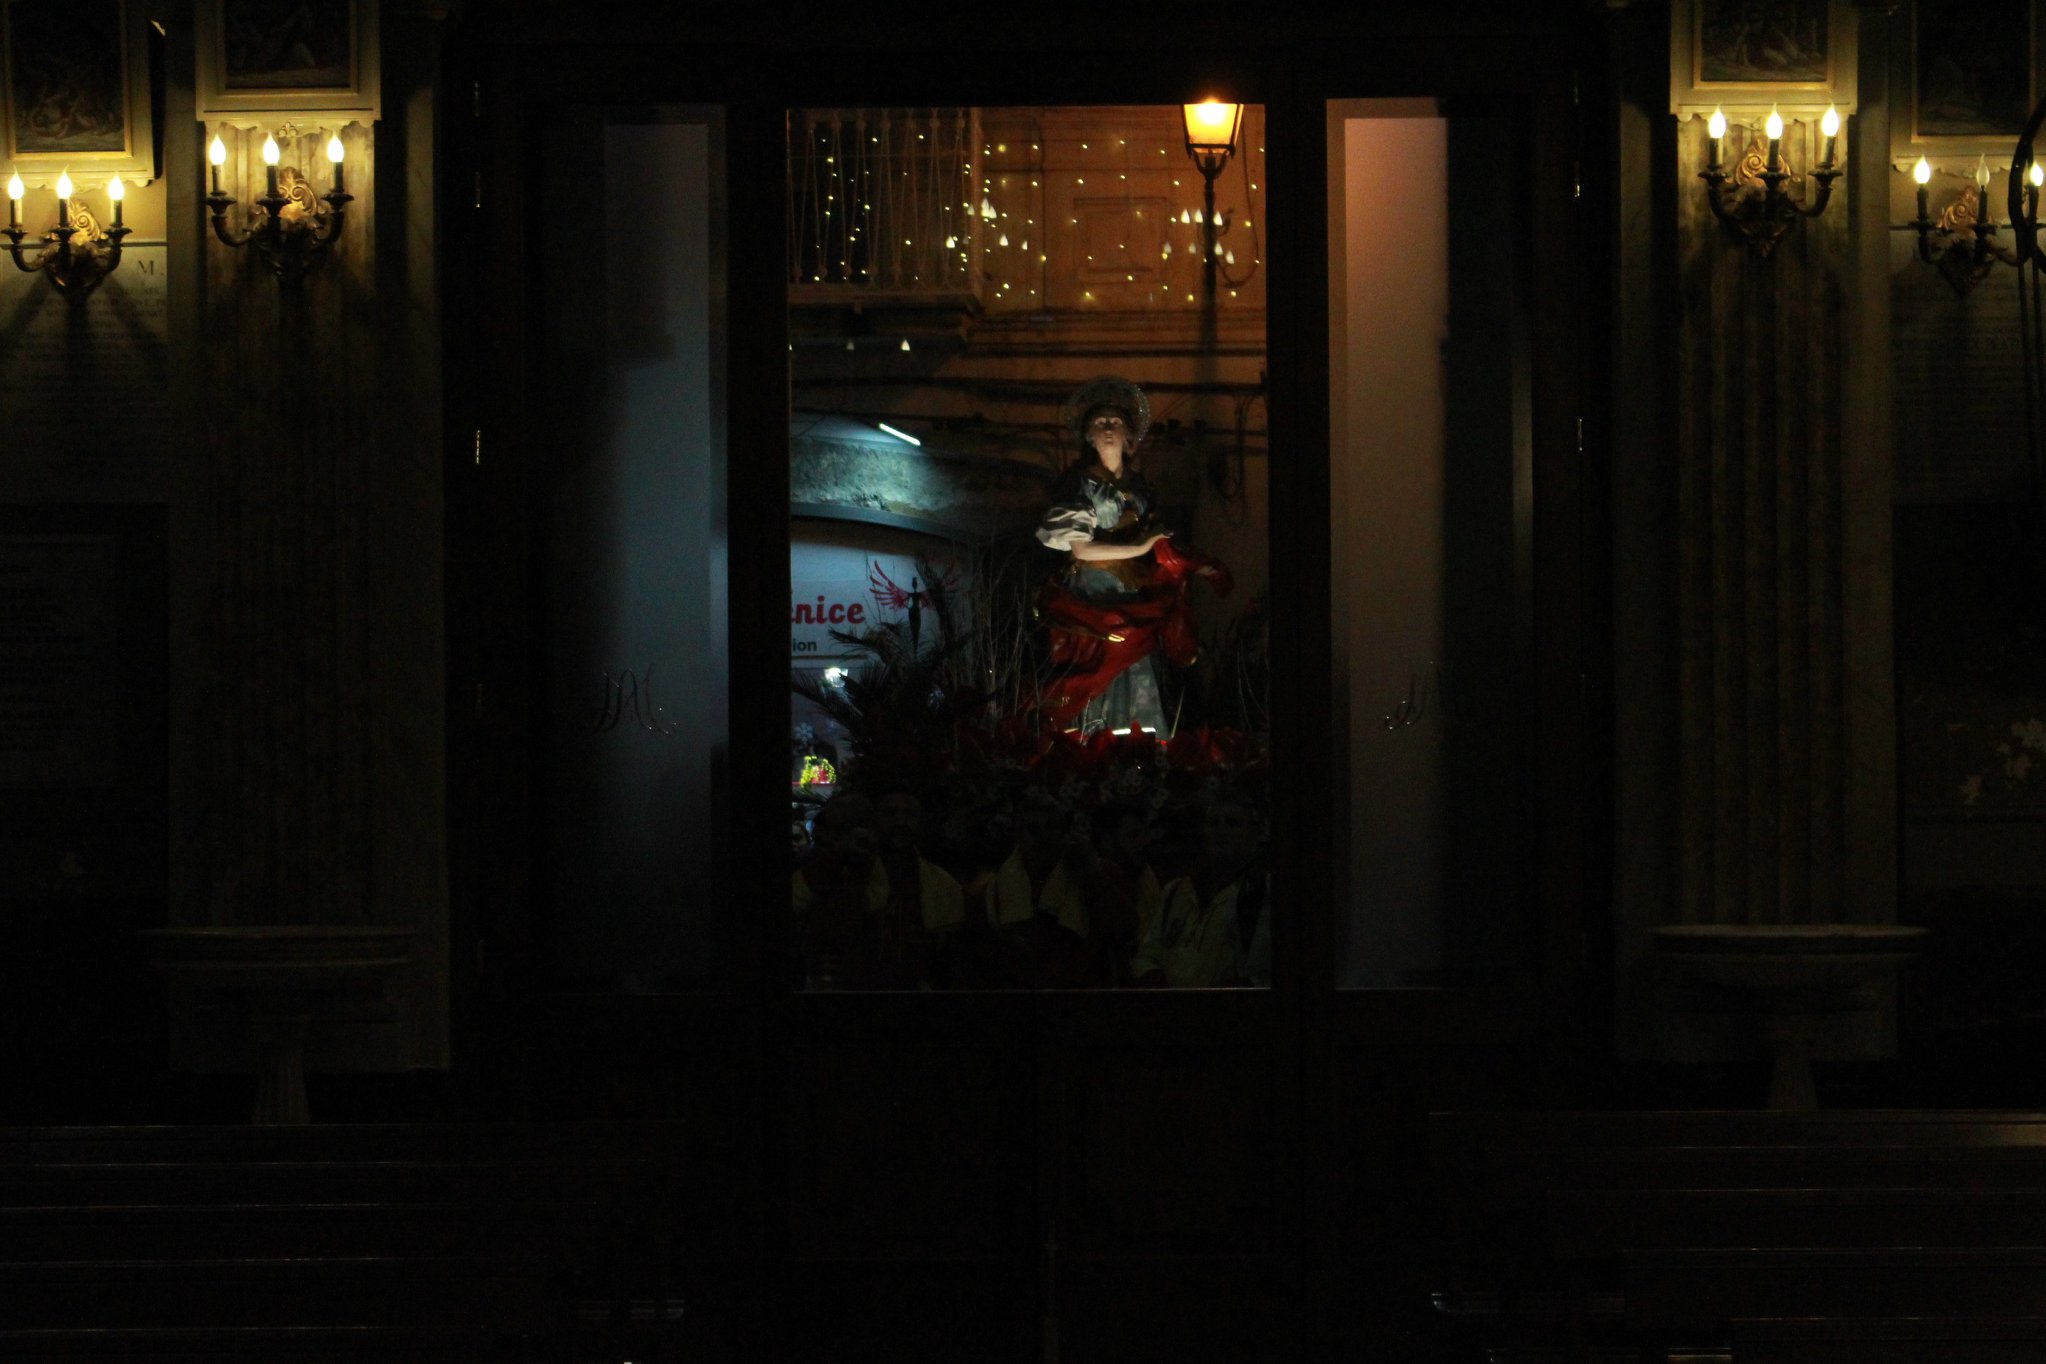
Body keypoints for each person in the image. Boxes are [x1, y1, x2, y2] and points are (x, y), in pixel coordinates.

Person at [1034, 376, 1230, 738]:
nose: (1108, 428)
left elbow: (1160, 543)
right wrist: (1139, 547)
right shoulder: (1079, 483)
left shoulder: (1141, 487)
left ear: (1129, 437)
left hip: (1134, 598)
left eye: (1115, 422)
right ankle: (1091, 745)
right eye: (1100, 423)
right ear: (1089, 437)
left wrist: (1192, 565)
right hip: (1092, 599)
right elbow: (1081, 549)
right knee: (1096, 674)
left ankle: (1141, 747)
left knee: (1140, 669)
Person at [793, 788, 964, 989]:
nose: (900, 822)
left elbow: (944, 954)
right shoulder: (838, 867)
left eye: (909, 814)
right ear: (874, 819)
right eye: (890, 813)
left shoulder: (940, 883)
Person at [1132, 790, 1269, 988]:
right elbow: (1148, 953)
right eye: (1213, 823)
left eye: (1232, 823)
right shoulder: (1176, 892)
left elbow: (1261, 972)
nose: (1221, 831)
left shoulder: (1262, 894)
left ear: (1254, 833)